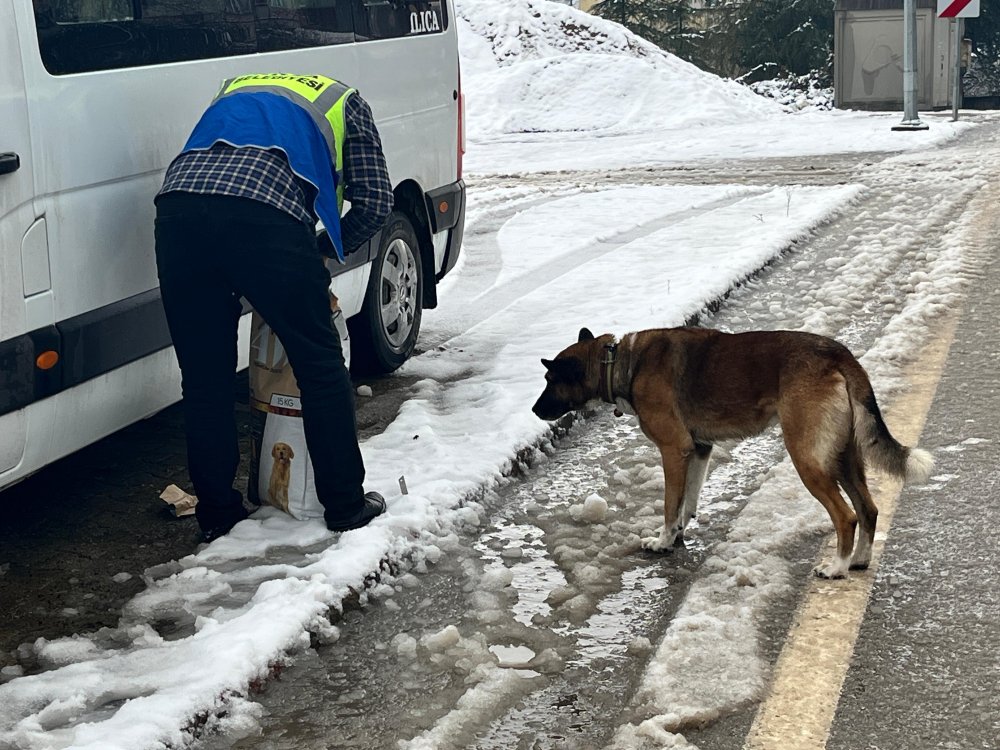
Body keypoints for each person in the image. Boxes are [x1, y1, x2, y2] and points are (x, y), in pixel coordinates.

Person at [154, 73, 392, 542]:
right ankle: (344, 504)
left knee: (205, 378)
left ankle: (219, 514)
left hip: (178, 210)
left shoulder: (234, 87)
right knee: (319, 363)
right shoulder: (345, 101)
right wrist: (321, 249)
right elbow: (376, 202)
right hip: (265, 215)